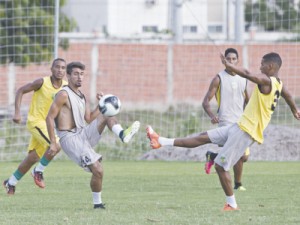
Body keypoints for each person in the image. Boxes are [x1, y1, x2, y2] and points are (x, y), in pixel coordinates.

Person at [146, 52, 300, 211]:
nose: (259, 67)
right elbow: (287, 94)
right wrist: (295, 109)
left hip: (246, 131)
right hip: (239, 126)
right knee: (203, 137)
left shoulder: (267, 80)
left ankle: (232, 204)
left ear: (270, 66)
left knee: (220, 166)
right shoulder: (279, 84)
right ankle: (160, 141)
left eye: (262, 65)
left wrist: (229, 65)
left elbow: (247, 74)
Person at [46, 61, 140, 209]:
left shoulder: (82, 96)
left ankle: (122, 134)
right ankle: (98, 205)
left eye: (82, 74)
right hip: (69, 138)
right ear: (68, 75)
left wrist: (101, 104)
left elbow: (89, 118)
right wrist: (53, 142)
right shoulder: (63, 94)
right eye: (76, 74)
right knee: (98, 169)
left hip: (83, 132)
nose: (80, 77)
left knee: (106, 112)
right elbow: (49, 117)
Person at [3, 58, 68, 195]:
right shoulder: (42, 82)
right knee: (56, 144)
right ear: (51, 69)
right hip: (36, 121)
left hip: (47, 125)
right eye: (57, 67)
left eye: (63, 68)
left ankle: (11, 183)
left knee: (33, 157)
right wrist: (17, 113)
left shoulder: (66, 87)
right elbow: (20, 90)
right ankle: (38, 171)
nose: (60, 70)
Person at [202, 48, 250, 191]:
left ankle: (213, 156)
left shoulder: (243, 78)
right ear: (224, 61)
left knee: (243, 156)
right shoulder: (219, 78)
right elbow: (205, 102)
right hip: (225, 122)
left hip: (241, 122)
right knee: (238, 154)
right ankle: (237, 185)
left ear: (238, 60)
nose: (231, 61)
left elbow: (248, 100)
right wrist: (212, 116)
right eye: (228, 59)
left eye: (233, 59)